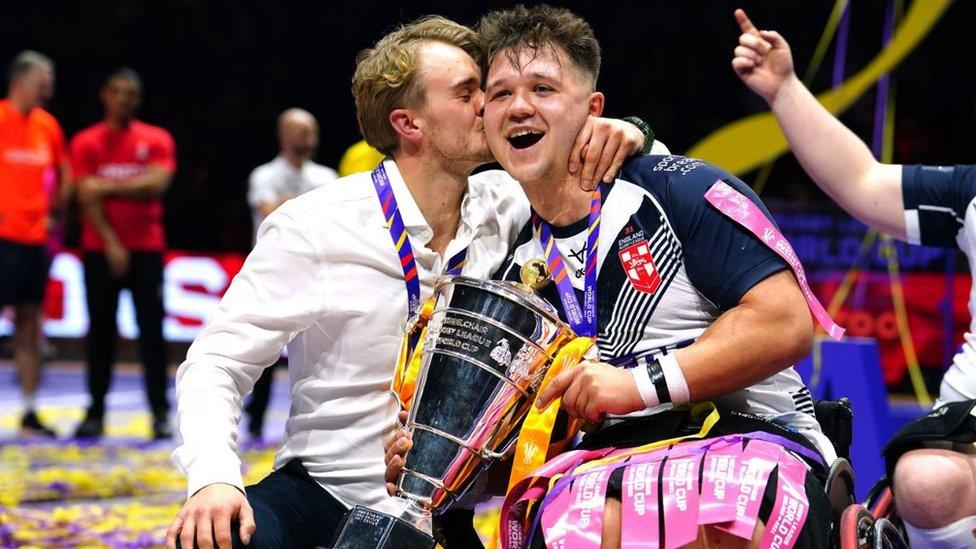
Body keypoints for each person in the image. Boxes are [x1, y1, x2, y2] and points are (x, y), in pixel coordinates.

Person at [165, 14, 649, 549]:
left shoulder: (508, 205)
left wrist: (633, 134)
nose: (491, 107)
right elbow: (217, 362)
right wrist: (211, 476)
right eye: (469, 93)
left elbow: (624, 178)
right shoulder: (316, 225)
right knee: (215, 539)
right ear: (409, 124)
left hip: (440, 516)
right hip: (324, 498)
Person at [388, 5, 836, 547]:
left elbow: (785, 324)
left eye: (543, 89)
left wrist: (636, 386)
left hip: (753, 443)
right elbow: (521, 449)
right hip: (597, 471)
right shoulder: (514, 273)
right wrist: (444, 466)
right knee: (572, 521)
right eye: (500, 94)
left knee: (687, 518)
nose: (519, 107)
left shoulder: (677, 190)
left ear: (593, 108)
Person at [733, 8, 976, 547]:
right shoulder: (973, 194)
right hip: (961, 439)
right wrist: (786, 89)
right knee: (927, 481)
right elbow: (863, 183)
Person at [70, 68, 177, 440]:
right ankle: (95, 412)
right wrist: (112, 242)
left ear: (138, 99)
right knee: (100, 332)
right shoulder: (86, 142)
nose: (124, 99)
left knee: (152, 334)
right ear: (105, 95)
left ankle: (160, 414)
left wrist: (107, 185)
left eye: (131, 93)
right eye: (117, 92)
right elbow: (85, 197)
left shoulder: (157, 138)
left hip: (147, 248)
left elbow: (158, 183)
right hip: (101, 250)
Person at [244, 108, 338, 440]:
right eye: (302, 131)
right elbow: (268, 209)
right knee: (264, 351)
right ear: (284, 136)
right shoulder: (264, 175)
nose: (310, 137)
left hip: (318, 274)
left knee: (319, 350)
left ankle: (317, 420)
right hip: (274, 273)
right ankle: (254, 418)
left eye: (312, 130)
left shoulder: (327, 177)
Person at [0, 50, 70, 438]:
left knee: (29, 327)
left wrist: (55, 215)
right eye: (44, 81)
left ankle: (28, 412)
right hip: (2, 239)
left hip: (34, 242)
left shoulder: (48, 126)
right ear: (21, 79)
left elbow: (62, 175)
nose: (50, 88)